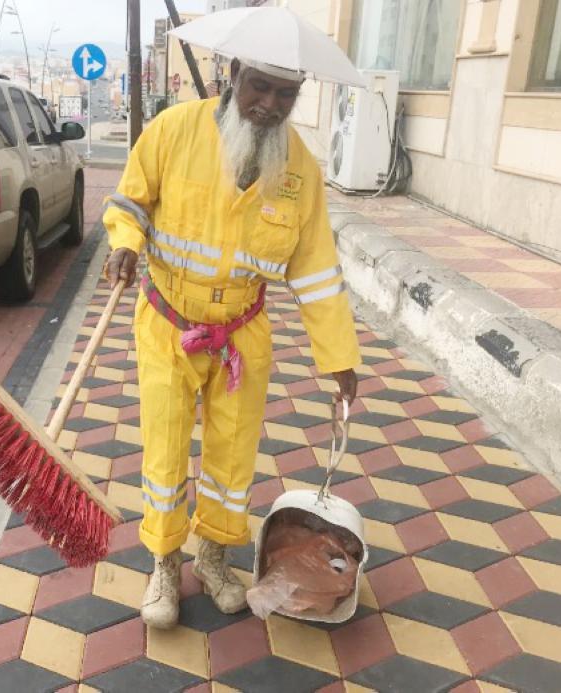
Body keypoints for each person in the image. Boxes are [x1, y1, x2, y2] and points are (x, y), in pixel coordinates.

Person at [102, 57, 361, 629]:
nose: (269, 105)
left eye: (286, 94)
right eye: (259, 88)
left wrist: (339, 357)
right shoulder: (173, 129)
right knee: (165, 450)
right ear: (234, 77)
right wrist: (124, 240)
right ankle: (164, 564)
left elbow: (316, 269)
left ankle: (213, 558)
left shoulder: (300, 169)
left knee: (233, 456)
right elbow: (130, 202)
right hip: (169, 322)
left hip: (243, 331)